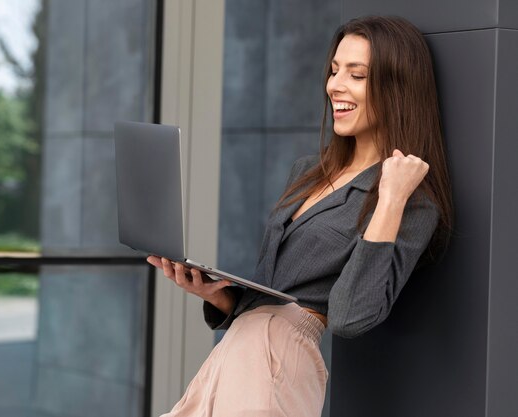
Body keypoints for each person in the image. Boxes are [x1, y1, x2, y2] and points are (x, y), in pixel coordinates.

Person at [147, 15, 453, 417]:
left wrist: (391, 197)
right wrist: (218, 295)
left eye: (356, 75)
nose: (335, 85)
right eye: (334, 70)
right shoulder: (309, 172)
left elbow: (350, 316)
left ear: (397, 88)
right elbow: (278, 285)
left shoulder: (411, 203)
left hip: (280, 359)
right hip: (240, 347)